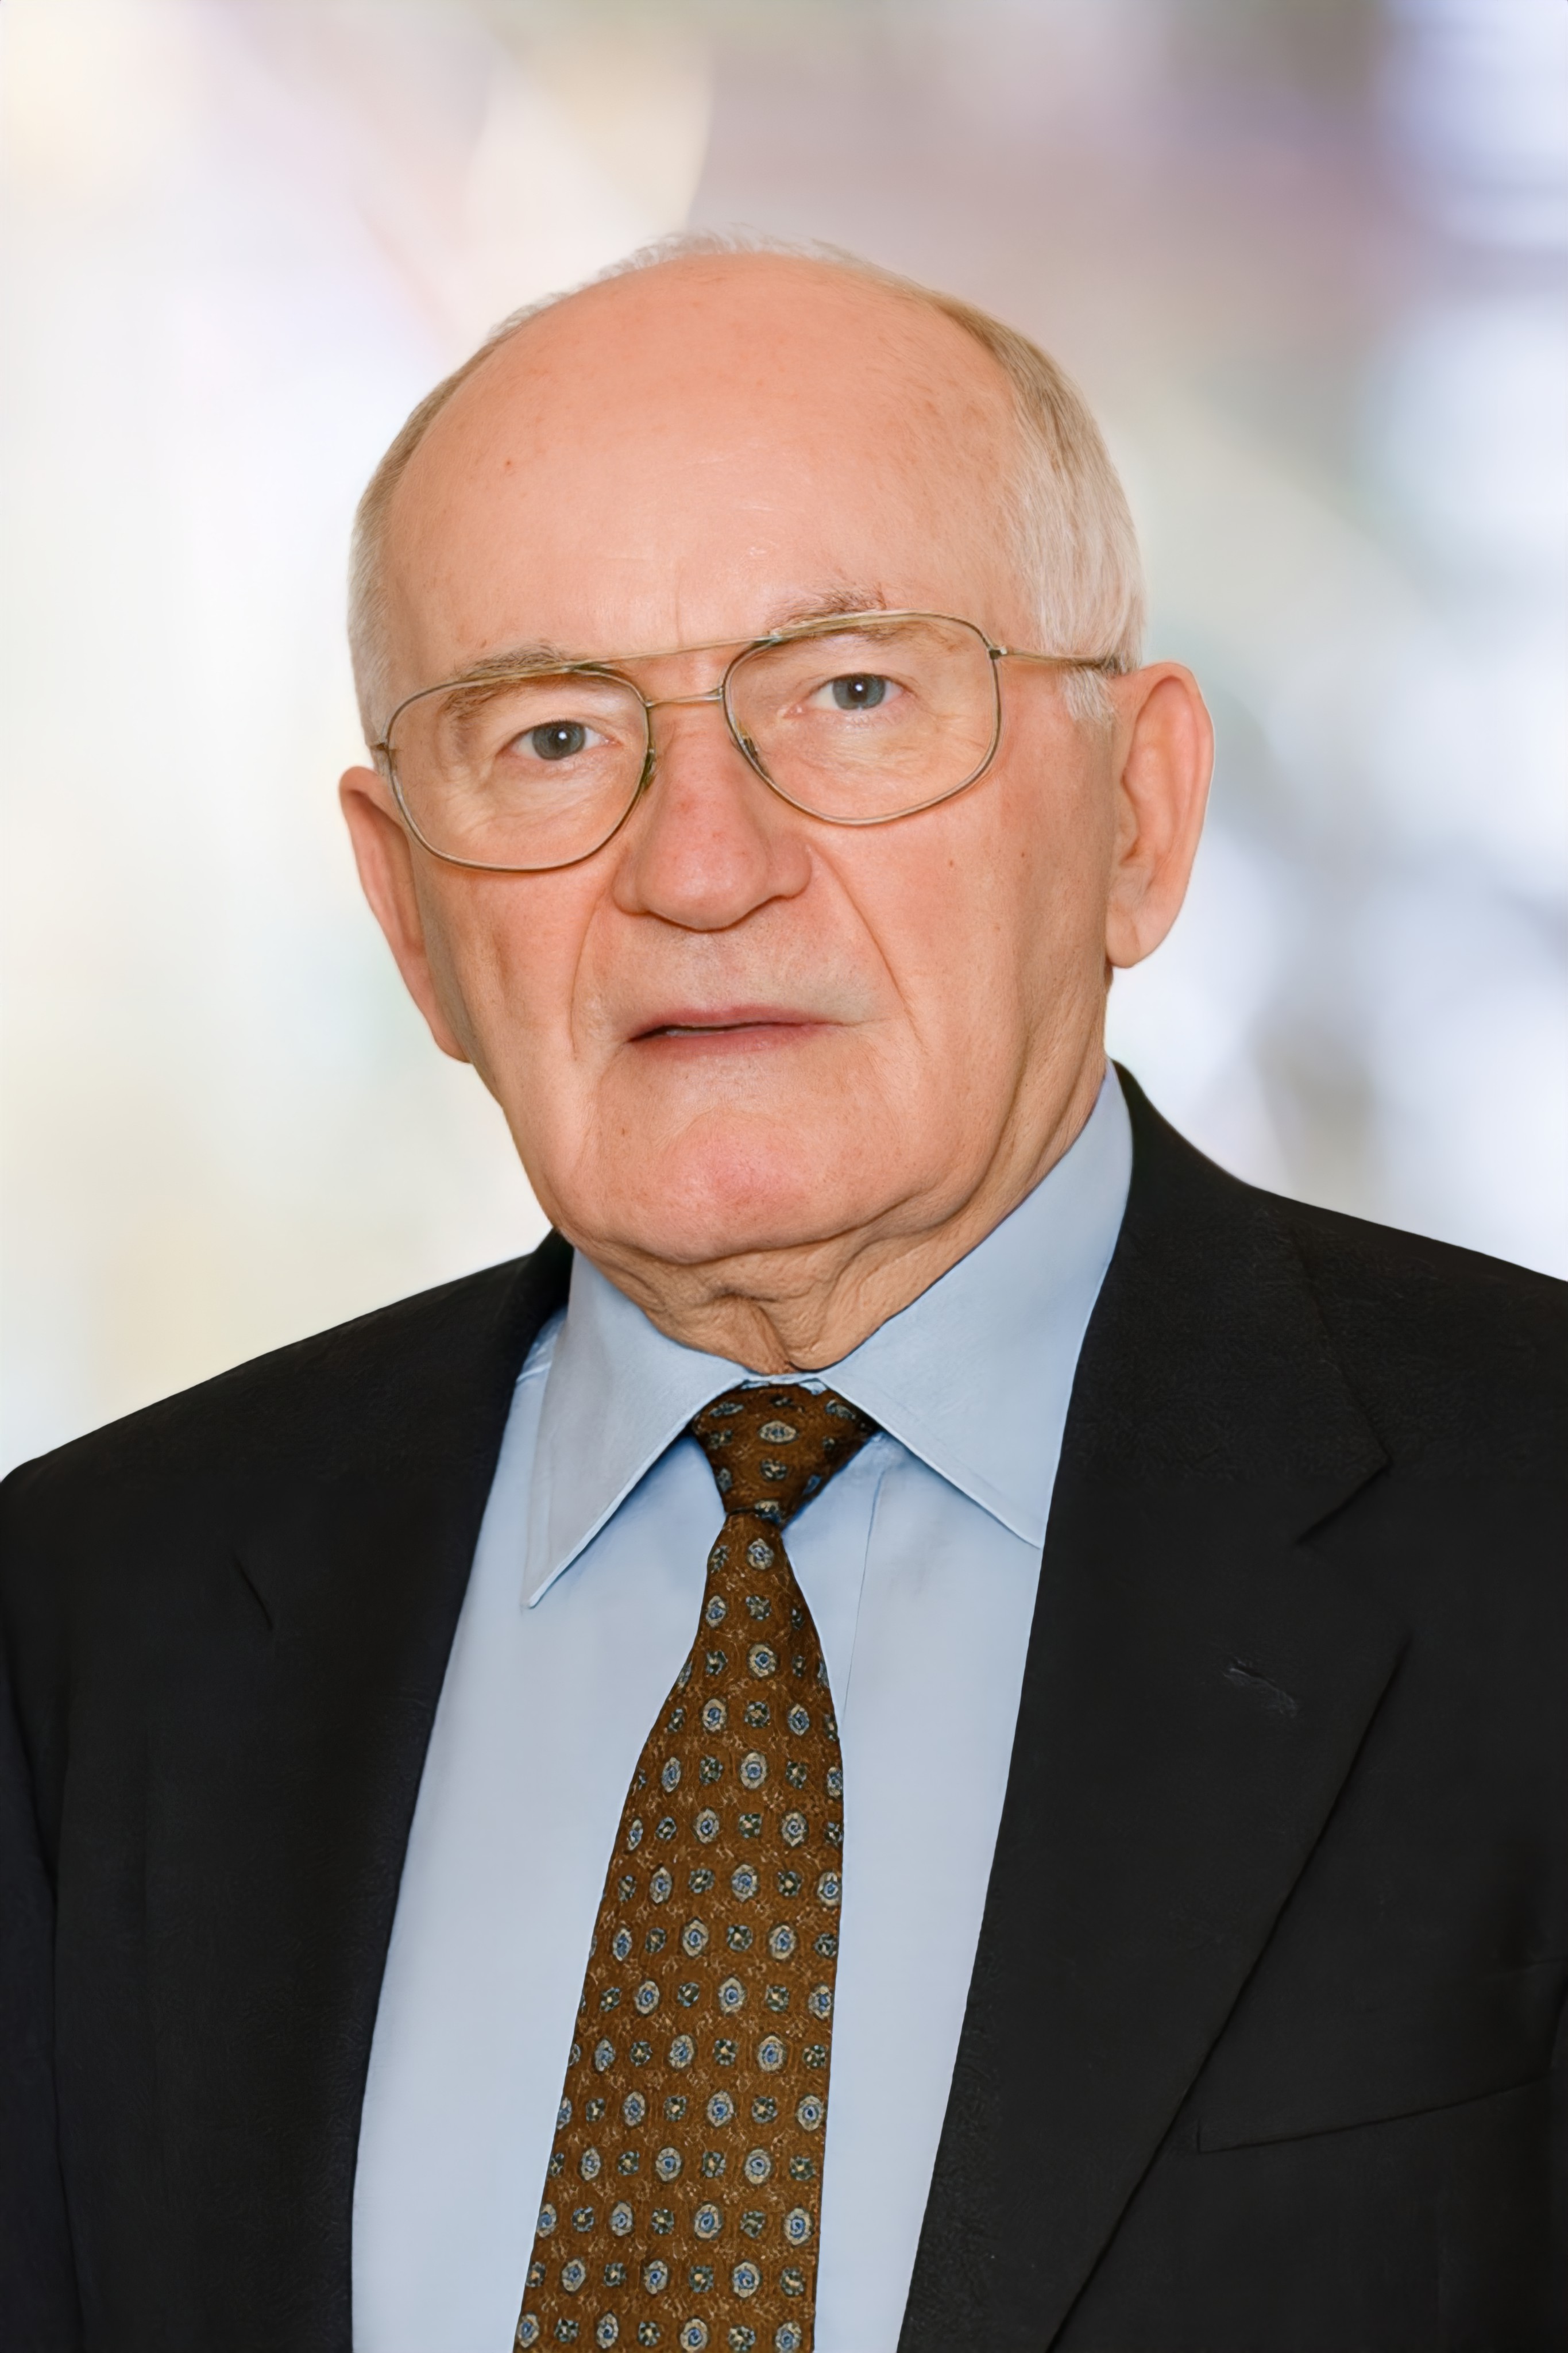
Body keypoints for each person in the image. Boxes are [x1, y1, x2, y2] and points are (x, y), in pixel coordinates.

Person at [1, 234, 1562, 2353]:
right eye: (552, 736)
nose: (698, 865)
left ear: (1137, 811)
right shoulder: (86, 1623)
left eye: (851, 695)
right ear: (408, 912)